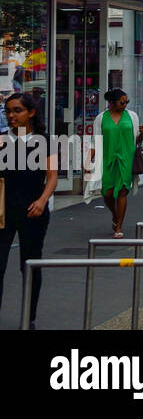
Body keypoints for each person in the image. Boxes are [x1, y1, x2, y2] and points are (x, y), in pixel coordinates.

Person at [0, 93, 57, 328]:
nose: (11, 116)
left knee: (30, 264)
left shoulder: (45, 141)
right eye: (8, 111)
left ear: (31, 113)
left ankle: (29, 317)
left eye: (17, 111)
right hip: (3, 211)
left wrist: (43, 200)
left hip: (34, 209)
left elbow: (52, 176)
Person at [85, 88, 143, 238]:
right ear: (111, 102)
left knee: (123, 191)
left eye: (126, 102)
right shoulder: (100, 118)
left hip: (126, 159)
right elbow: (95, 140)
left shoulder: (132, 116)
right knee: (108, 193)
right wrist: (88, 161)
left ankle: (119, 226)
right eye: (122, 102)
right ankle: (115, 214)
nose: (125, 104)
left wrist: (141, 134)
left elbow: (136, 140)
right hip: (107, 159)